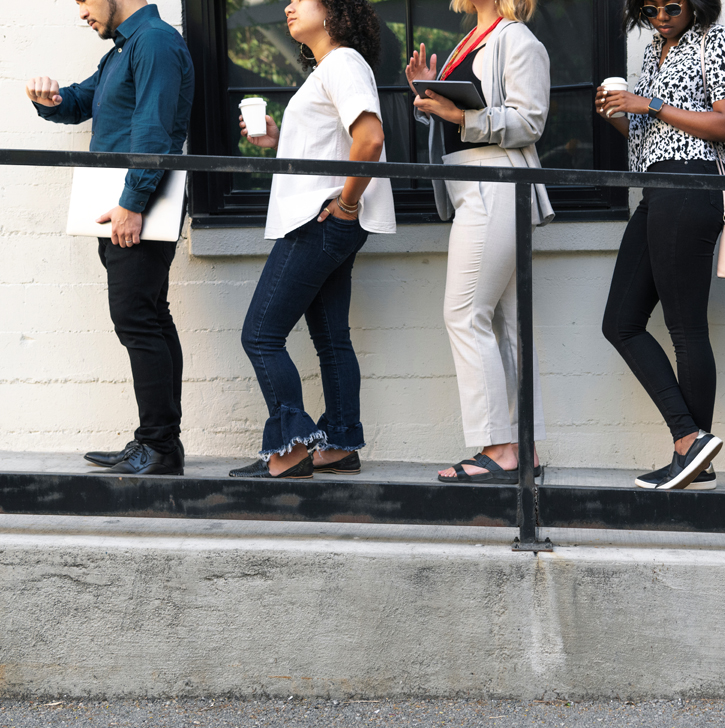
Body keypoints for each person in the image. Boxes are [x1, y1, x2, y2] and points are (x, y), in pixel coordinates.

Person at [229, 0, 394, 479]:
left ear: (334, 10)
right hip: (329, 219)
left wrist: (344, 205)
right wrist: (280, 138)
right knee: (330, 338)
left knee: (260, 335)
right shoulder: (331, 68)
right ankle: (339, 442)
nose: (287, 6)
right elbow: (335, 144)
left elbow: (370, 139)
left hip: (319, 222)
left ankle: (290, 449)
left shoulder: (341, 62)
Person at [27, 0, 194, 475]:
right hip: (124, 207)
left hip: (133, 209)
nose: (81, 12)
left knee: (136, 319)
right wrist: (49, 98)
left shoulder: (156, 42)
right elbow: (83, 101)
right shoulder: (125, 47)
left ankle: (159, 447)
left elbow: (153, 130)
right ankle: (158, 443)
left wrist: (133, 202)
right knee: (149, 317)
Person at [597, 0, 725, 490]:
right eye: (651, 7)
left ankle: (691, 450)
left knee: (685, 328)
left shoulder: (714, 41)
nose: (662, 15)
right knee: (619, 322)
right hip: (657, 188)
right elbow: (649, 137)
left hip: (693, 186)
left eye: (673, 5)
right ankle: (693, 447)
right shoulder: (654, 52)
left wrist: (651, 103)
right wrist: (621, 112)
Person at [405, 0, 553, 484]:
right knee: (505, 323)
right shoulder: (470, 40)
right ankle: (520, 445)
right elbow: (461, 123)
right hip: (475, 187)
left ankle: (498, 446)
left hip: (496, 186)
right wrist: (430, 99)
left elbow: (530, 122)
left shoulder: (517, 40)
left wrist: (459, 115)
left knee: (465, 313)